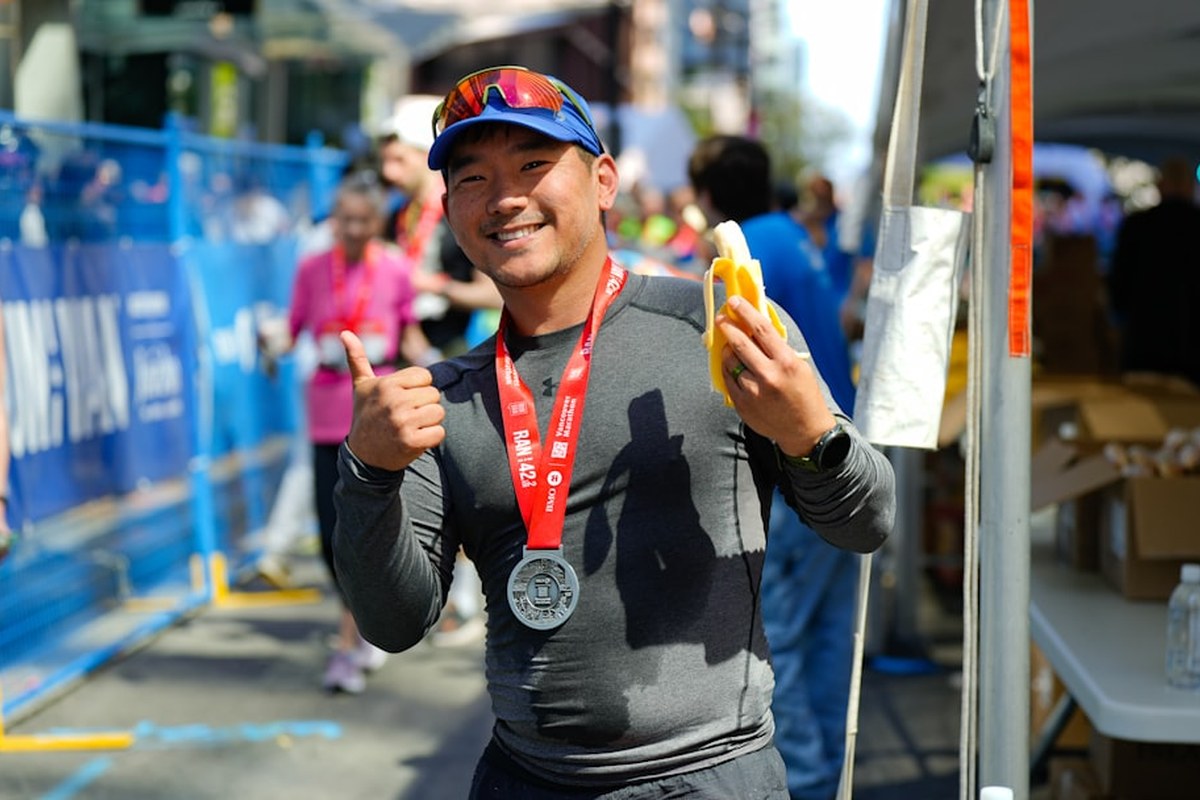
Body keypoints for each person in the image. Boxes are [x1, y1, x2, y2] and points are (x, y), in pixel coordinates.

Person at [332, 66, 894, 797]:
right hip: (521, 777)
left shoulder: (716, 328)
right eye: (473, 179)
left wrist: (812, 436)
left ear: (602, 181)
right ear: (448, 209)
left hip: (709, 778)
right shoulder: (446, 398)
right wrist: (367, 470)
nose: (505, 197)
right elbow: (394, 621)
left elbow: (868, 522)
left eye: (535, 164)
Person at [688, 135, 862, 800]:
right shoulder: (794, 236)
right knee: (825, 635)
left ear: (707, 195)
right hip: (839, 456)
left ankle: (809, 779)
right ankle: (827, 776)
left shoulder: (739, 252)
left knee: (779, 635)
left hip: (790, 473)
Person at [272, 170, 437, 693]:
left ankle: (349, 643)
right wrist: (270, 346)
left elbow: (409, 332)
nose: (353, 229)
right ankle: (364, 621)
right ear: (333, 220)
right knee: (327, 536)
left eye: (363, 220)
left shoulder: (394, 270)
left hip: (377, 416)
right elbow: (291, 329)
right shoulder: (310, 270)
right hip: (325, 413)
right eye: (344, 220)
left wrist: (438, 368)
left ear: (377, 222)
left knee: (362, 529)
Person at [1108, 156, 1200, 388]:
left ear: (1160, 187)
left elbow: (1118, 287)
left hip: (1145, 345)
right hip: (1193, 352)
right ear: (1191, 188)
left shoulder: (1137, 226)